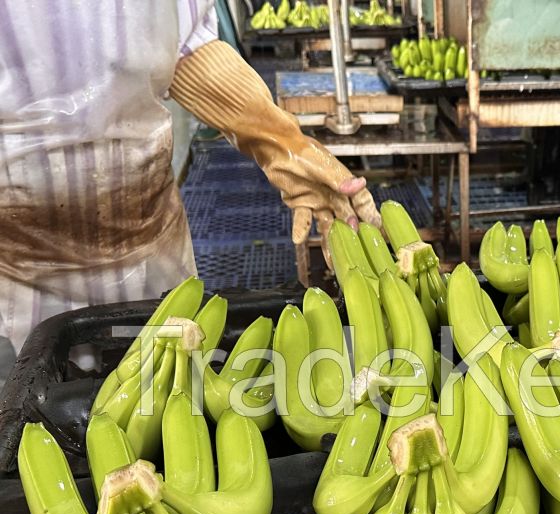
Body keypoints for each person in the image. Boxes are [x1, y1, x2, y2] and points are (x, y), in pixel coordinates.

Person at [0, 0, 378, 363]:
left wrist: (283, 146)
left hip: (148, 233)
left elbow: (184, 44)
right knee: (47, 392)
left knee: (174, 374)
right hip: (23, 263)